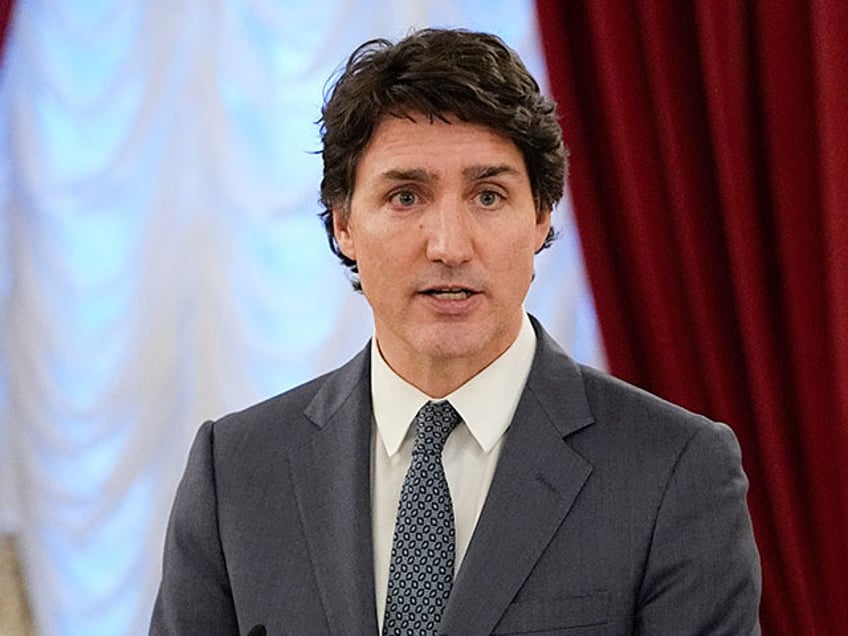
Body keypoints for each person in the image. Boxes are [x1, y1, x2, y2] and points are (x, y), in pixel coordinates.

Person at [150, 28, 761, 635]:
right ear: (343, 225)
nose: (448, 246)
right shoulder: (234, 472)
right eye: (406, 196)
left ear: (541, 215)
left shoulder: (674, 469)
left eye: (488, 196)